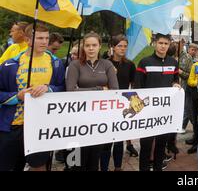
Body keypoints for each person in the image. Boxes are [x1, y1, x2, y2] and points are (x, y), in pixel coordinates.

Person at [0, 22, 65, 171]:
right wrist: (17, 96)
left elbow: (62, 88)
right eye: (40, 38)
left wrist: (49, 89)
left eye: (46, 38)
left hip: (41, 126)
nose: (44, 41)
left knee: (39, 166)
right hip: (13, 125)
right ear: (28, 40)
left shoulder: (56, 63)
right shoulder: (9, 65)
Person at [66, 32, 119, 171]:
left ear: (100, 46)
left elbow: (114, 90)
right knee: (75, 162)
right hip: (77, 118)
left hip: (98, 118)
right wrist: (99, 89)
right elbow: (70, 91)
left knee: (94, 161)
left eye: (94, 45)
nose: (91, 48)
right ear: (83, 47)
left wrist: (83, 90)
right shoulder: (75, 65)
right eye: (87, 45)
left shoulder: (107, 64)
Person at [134, 33, 181, 172]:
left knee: (161, 144)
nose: (163, 46)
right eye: (160, 43)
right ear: (155, 43)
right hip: (147, 112)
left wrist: (175, 84)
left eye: (166, 44)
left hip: (164, 113)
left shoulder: (173, 62)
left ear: (169, 45)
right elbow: (138, 87)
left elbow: (175, 80)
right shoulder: (144, 62)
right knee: (146, 145)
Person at [100, 35, 137, 171]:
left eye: (125, 46)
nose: (123, 49)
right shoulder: (103, 63)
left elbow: (134, 84)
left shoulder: (130, 65)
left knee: (119, 139)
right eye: (119, 46)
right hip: (106, 105)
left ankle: (117, 167)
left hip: (122, 106)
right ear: (113, 47)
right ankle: (103, 167)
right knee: (106, 140)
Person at [179, 43, 198, 134]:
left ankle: (183, 125)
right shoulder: (183, 57)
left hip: (188, 87)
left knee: (187, 107)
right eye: (192, 49)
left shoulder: (195, 61)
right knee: (186, 107)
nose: (193, 51)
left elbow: (189, 75)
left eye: (195, 50)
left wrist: (181, 72)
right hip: (181, 86)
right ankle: (190, 125)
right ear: (188, 49)